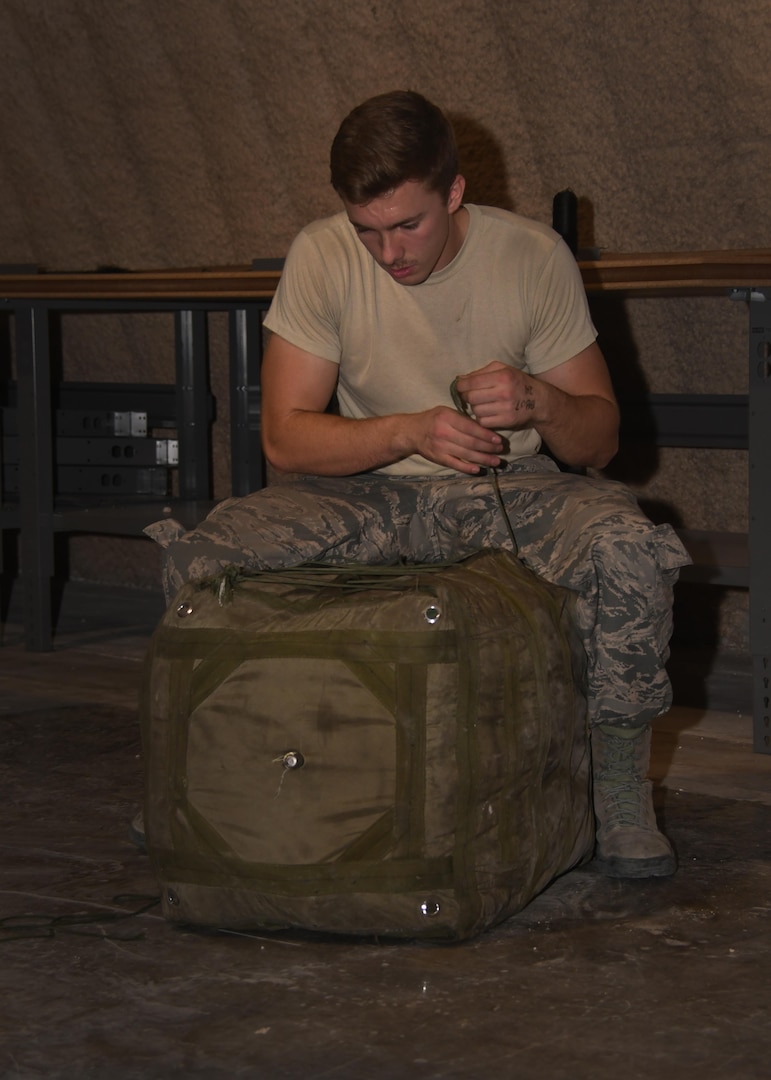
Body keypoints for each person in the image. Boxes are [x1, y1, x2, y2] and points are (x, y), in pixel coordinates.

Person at [147, 90, 690, 879]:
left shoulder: (531, 257)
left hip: (504, 486)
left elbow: (603, 442)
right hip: (367, 491)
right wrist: (405, 429)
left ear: (455, 193)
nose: (389, 252)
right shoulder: (322, 255)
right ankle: (194, 777)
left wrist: (538, 400)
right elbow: (284, 436)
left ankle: (617, 789)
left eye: (409, 225)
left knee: (629, 548)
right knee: (202, 556)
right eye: (368, 230)